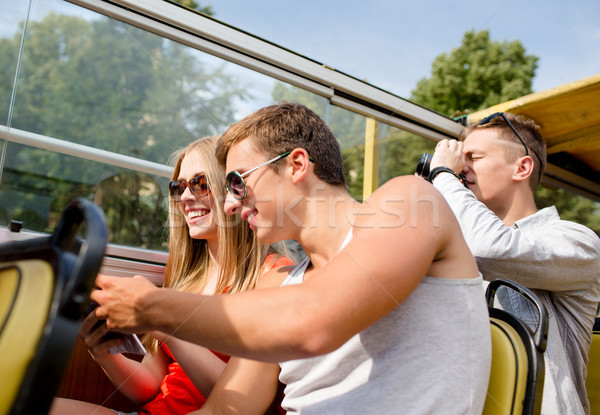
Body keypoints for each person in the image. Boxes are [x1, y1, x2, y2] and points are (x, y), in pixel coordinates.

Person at [92, 102, 492, 414]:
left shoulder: (409, 200)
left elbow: (314, 323)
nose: (230, 204)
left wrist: (152, 307)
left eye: (237, 182)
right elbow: (225, 411)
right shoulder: (279, 286)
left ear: (297, 164)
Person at [50, 136, 292, 415]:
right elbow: (151, 386)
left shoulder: (272, 277)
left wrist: (165, 324)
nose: (186, 197)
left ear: (232, 191)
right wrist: (103, 353)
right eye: (179, 187)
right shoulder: (186, 276)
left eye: (200, 184)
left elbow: (236, 403)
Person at [428, 112, 600, 414]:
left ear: (522, 168)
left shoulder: (577, 241)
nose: (461, 169)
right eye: (458, 160)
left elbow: (490, 249)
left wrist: (442, 173)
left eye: (473, 157)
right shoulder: (456, 244)